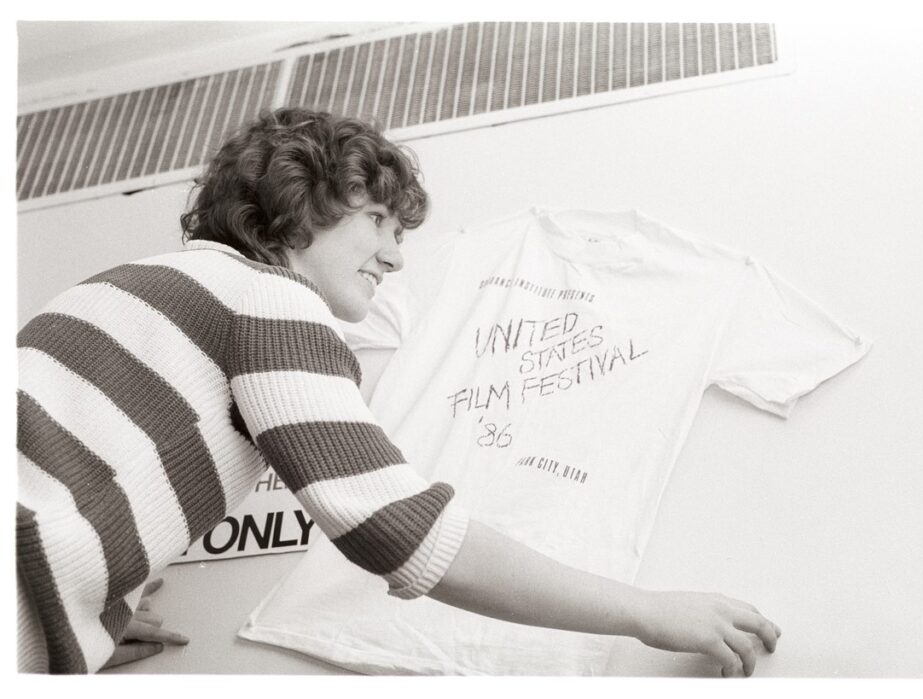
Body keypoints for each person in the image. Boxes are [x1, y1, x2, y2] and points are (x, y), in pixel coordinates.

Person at [16, 107, 780, 676]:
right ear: (291, 205)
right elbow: (406, 535)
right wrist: (647, 611)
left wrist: (85, 608)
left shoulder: (125, 288)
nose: (393, 256)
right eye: (377, 219)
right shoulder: (269, 300)